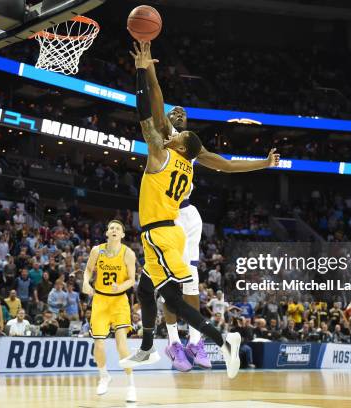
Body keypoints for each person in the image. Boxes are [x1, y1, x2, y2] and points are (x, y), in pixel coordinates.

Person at [142, 40, 280, 372]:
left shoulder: (192, 148)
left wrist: (263, 163)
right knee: (168, 283)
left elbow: (228, 166)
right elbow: (156, 103)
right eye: (176, 114)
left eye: (183, 115)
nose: (180, 115)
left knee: (189, 281)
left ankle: (195, 344)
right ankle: (174, 344)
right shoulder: (166, 136)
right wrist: (149, 69)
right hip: (166, 216)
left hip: (187, 215)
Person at [119, 42, 241, 379]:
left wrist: (142, 72)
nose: (177, 127)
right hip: (161, 231)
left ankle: (223, 343)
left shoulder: (161, 153)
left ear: (180, 143)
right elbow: (158, 113)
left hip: (162, 232)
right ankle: (146, 348)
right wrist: (148, 72)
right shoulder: (185, 164)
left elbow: (147, 114)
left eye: (181, 130)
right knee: (146, 289)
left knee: (174, 300)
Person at [82, 220, 137, 402]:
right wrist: (85, 282)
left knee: (121, 344)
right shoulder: (97, 250)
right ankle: (104, 375)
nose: (114, 230)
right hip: (100, 300)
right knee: (98, 344)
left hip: (119, 301)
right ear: (107, 233)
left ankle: (131, 385)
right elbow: (88, 270)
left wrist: (120, 286)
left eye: (118, 229)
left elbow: (131, 279)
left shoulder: (128, 253)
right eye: (111, 228)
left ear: (122, 234)